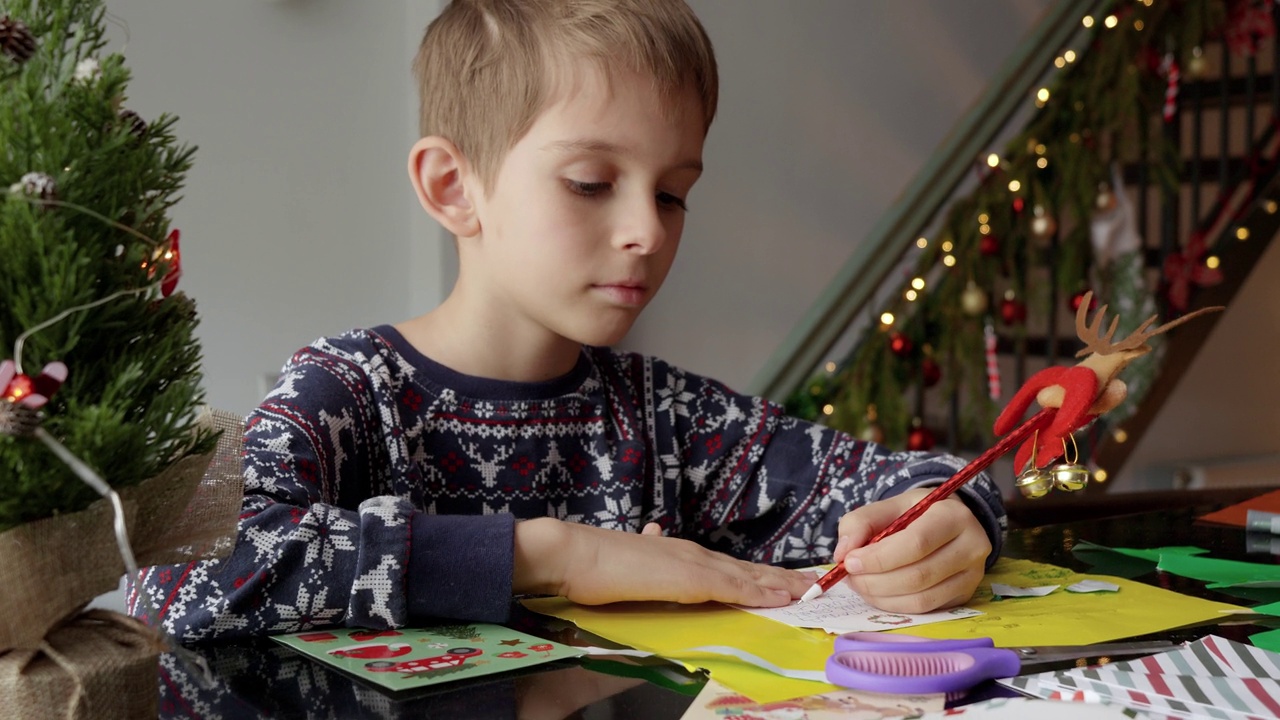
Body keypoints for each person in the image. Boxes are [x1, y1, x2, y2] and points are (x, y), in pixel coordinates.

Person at [131, 0, 1005, 644]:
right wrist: (555, 554)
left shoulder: (670, 418)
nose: (647, 230)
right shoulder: (346, 393)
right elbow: (177, 572)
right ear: (452, 187)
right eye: (591, 181)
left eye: (673, 193)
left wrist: (954, 517)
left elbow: (931, 475)